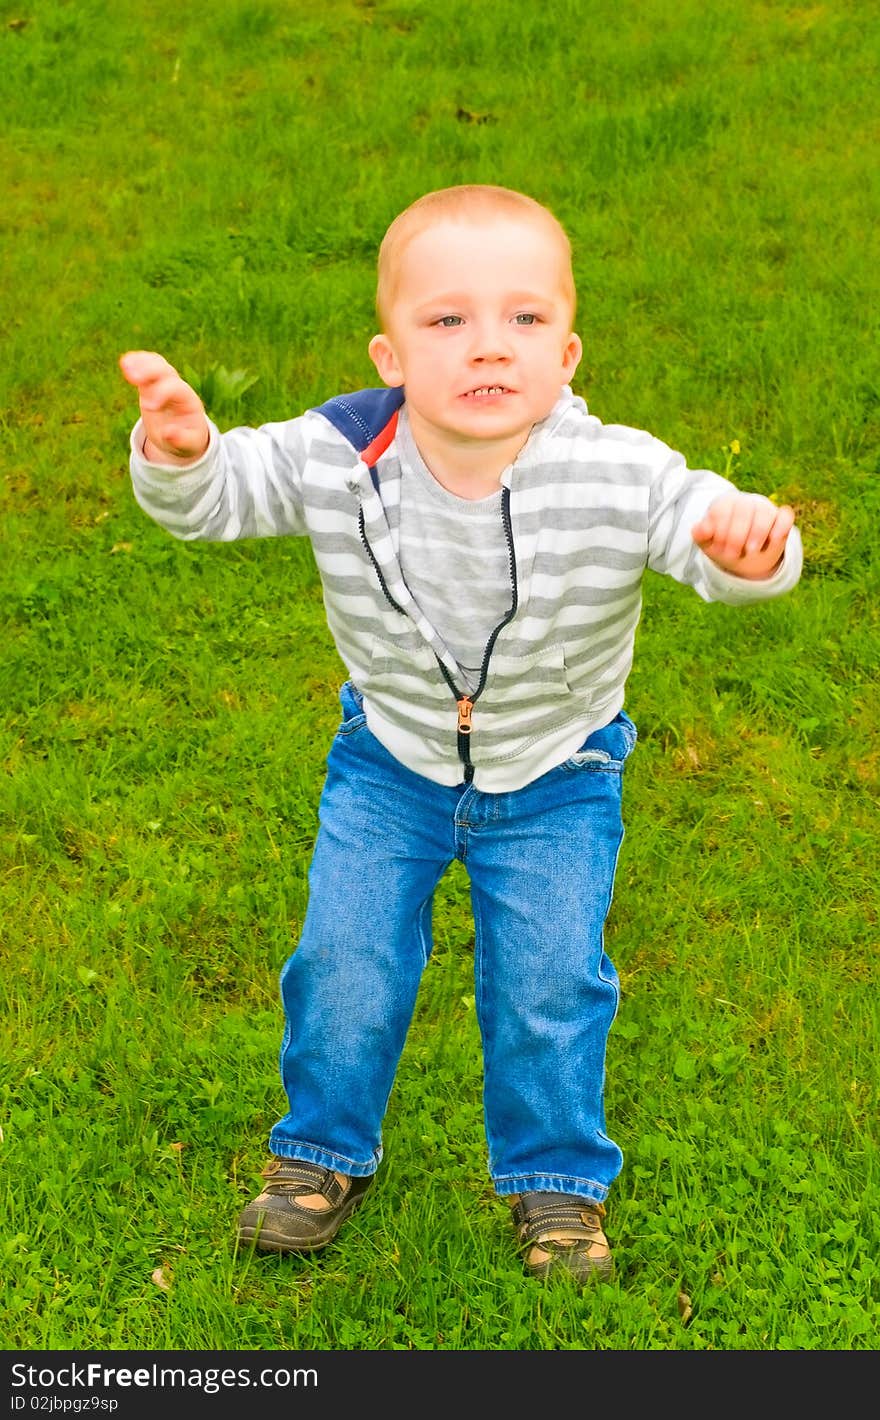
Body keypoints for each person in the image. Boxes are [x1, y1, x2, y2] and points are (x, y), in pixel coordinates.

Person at [120, 183, 802, 1285]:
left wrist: (750, 552)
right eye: (448, 322)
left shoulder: (618, 470)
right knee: (342, 960)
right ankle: (317, 1157)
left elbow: (707, 532)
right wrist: (184, 453)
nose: (488, 347)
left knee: (547, 981)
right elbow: (218, 500)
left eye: (523, 320)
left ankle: (556, 1185)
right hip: (388, 759)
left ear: (569, 352)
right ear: (389, 353)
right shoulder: (339, 449)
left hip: (557, 769)